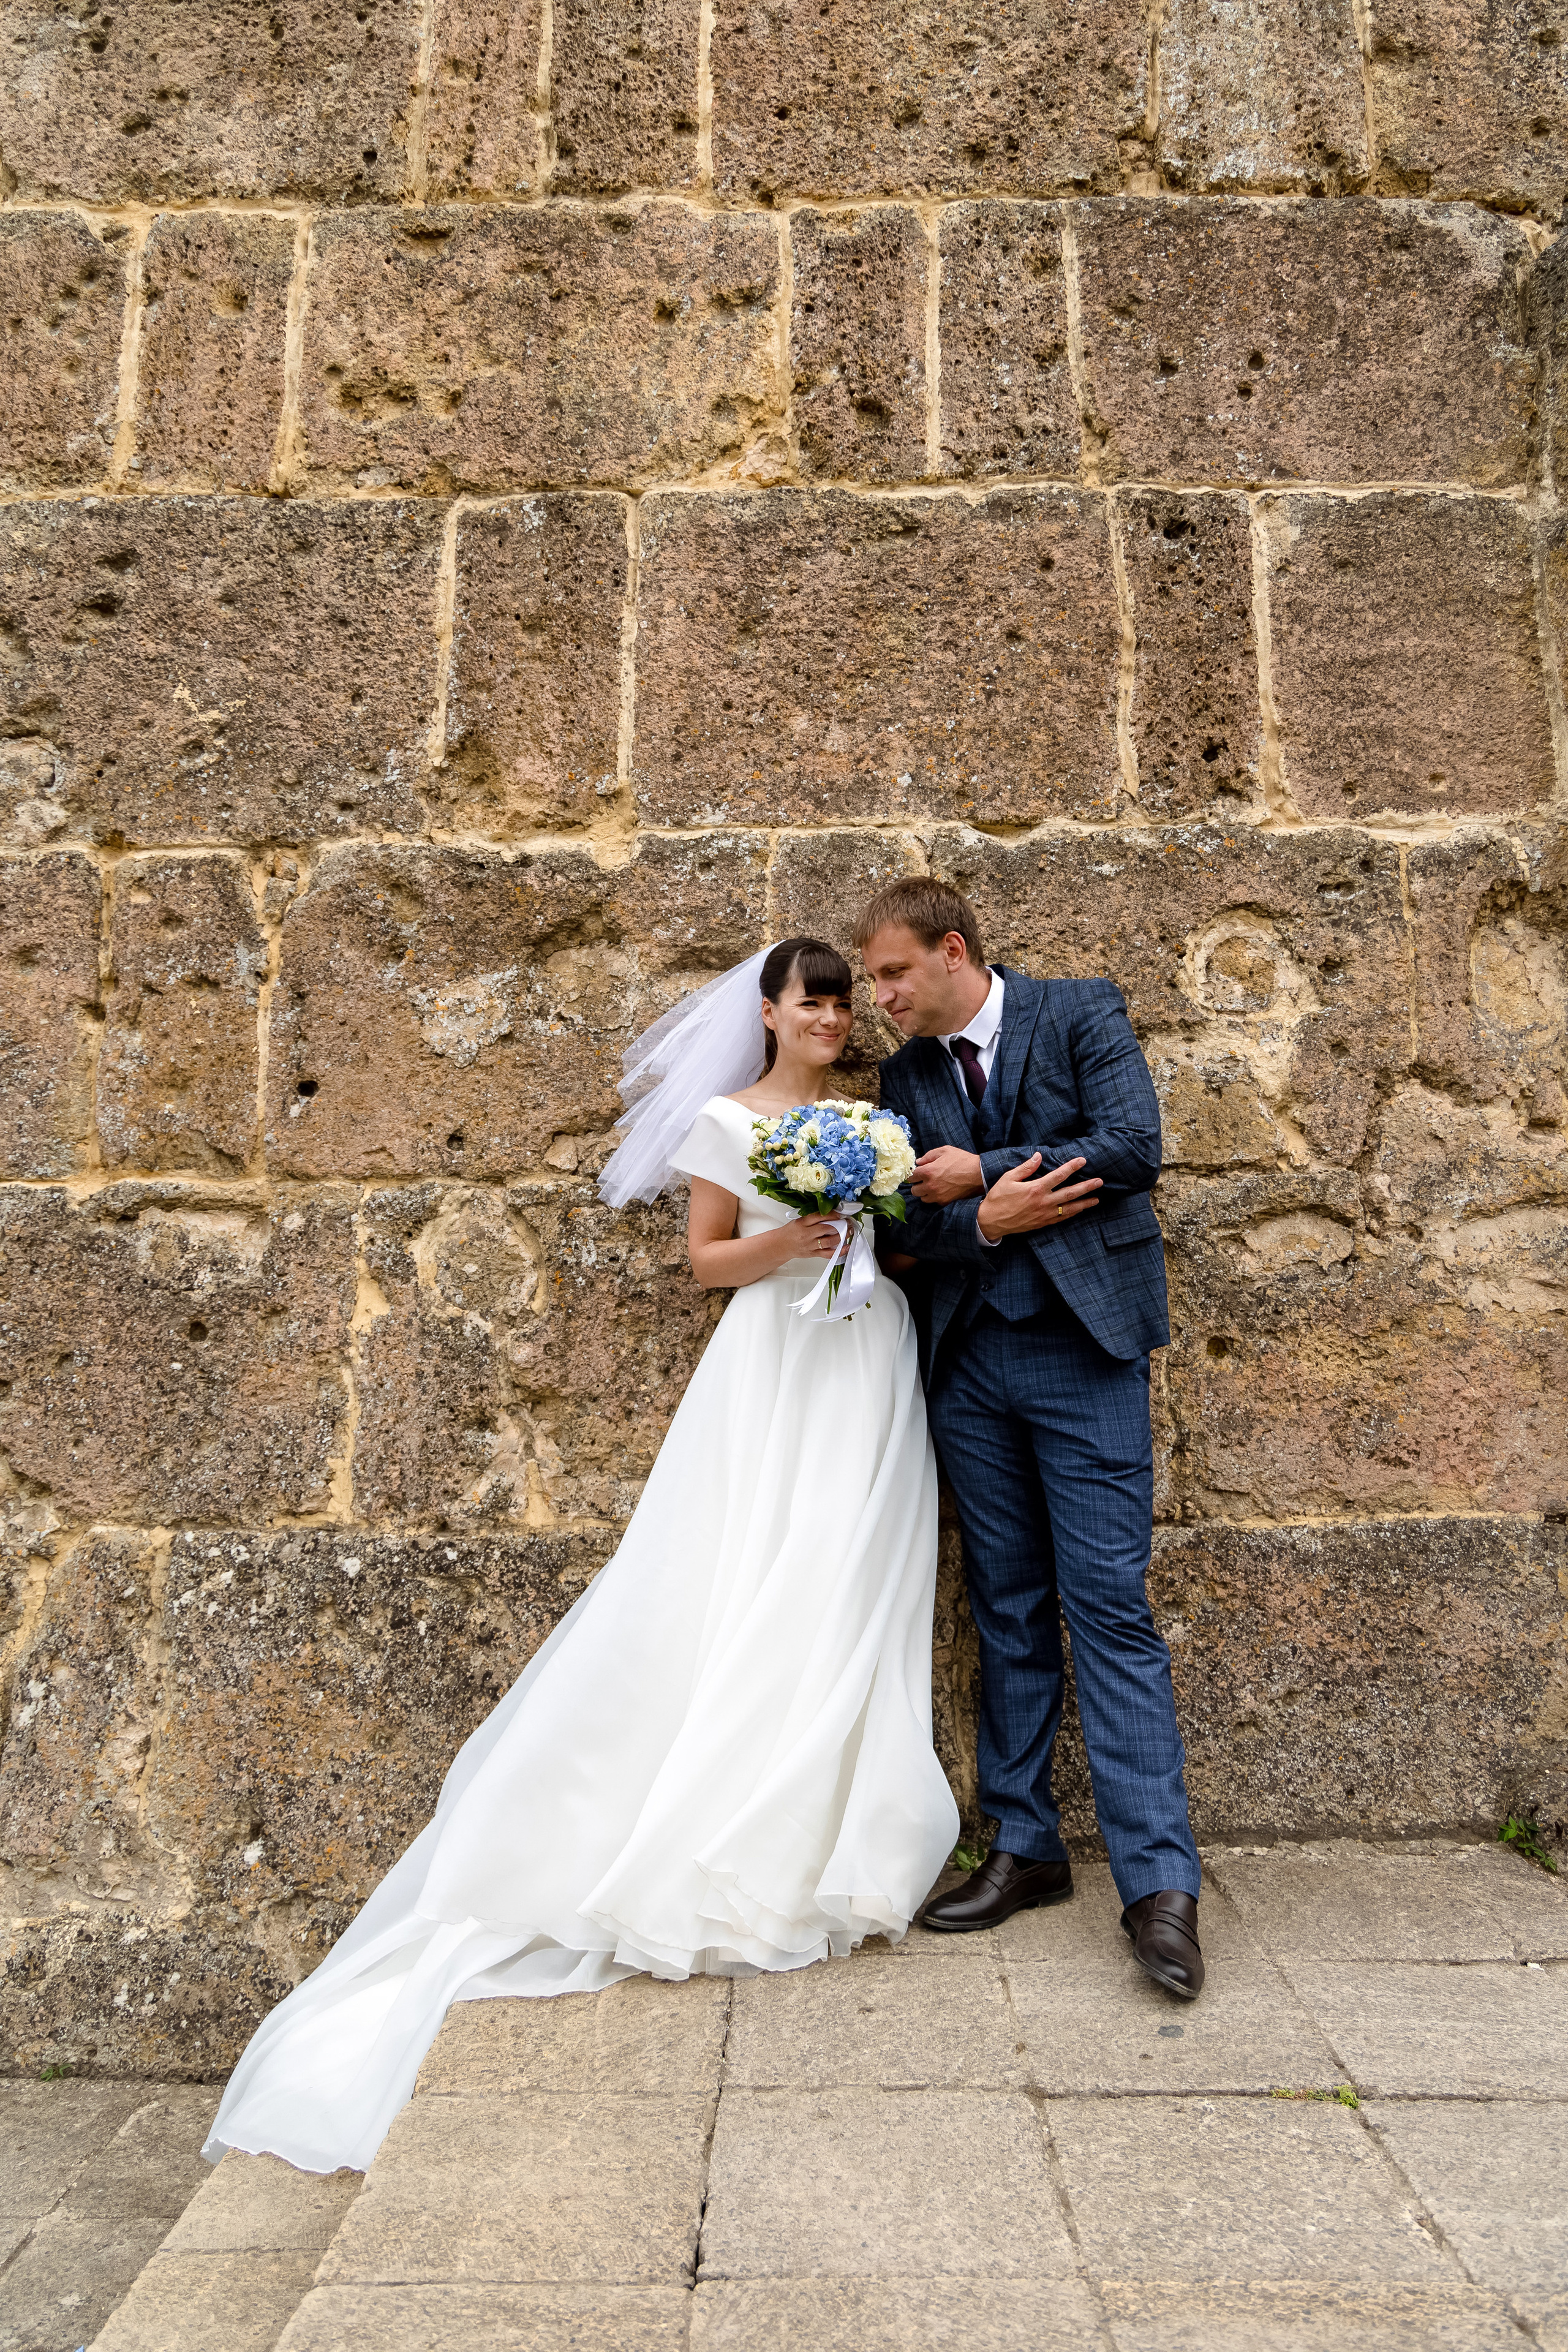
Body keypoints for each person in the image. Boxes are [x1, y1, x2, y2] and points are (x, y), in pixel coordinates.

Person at [202, 937, 958, 2175]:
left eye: (838, 1001)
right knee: (745, 1569)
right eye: (810, 1000)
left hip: (864, 1358)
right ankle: (719, 1827)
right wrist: (794, 1239)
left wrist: (870, 1214)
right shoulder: (727, 1121)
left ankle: (828, 1817)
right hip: (773, 1362)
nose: (830, 1016)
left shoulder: (866, 1119)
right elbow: (706, 1258)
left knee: (849, 1573)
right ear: (766, 1012)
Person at [858, 878, 1204, 2000]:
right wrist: (982, 1221)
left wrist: (990, 1174)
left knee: (1107, 1602)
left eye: (895, 973)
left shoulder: (1079, 1011)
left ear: (952, 951)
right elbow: (899, 1220)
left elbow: (1133, 1146)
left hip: (1084, 1354)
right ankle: (1025, 1846)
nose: (883, 996)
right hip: (968, 1362)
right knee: (1004, 1604)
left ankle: (1159, 1885)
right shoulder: (904, 1078)